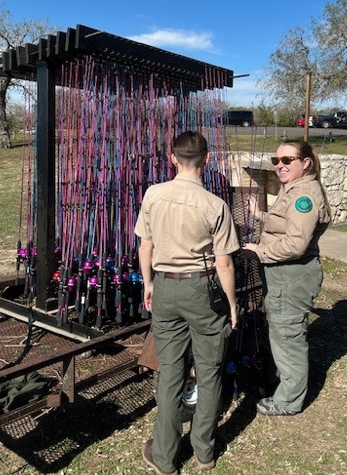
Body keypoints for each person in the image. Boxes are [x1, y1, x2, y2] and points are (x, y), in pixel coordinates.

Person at [135, 131, 239, 475]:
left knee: (170, 374)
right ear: (207, 160)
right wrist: (232, 304)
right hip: (202, 290)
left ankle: (165, 458)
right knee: (209, 373)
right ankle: (204, 453)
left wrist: (149, 284)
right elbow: (224, 263)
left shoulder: (153, 194)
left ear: (172, 157)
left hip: (165, 287)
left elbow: (145, 247)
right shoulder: (215, 205)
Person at [243, 139, 331, 416]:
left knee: (287, 337)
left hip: (291, 275)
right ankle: (284, 383)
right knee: (282, 332)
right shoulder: (294, 188)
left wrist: (260, 251)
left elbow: (296, 244)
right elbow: (287, 224)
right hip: (286, 274)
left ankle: (288, 401)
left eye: (287, 160)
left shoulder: (304, 195)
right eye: (276, 161)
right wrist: (261, 216)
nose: (280, 166)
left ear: (305, 162)